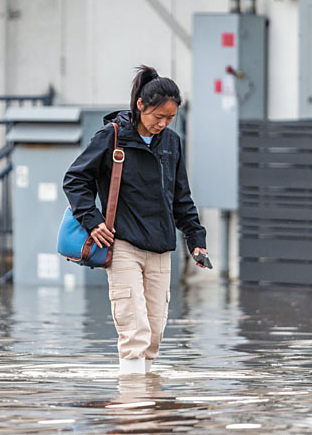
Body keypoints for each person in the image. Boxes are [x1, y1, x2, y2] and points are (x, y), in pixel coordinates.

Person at [63, 65, 208, 375]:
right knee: (135, 331)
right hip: (123, 245)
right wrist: (93, 221)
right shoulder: (112, 137)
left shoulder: (172, 143)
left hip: (160, 247)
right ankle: (133, 410)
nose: (164, 124)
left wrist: (196, 241)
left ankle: (148, 407)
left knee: (155, 333)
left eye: (170, 118)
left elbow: (181, 197)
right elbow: (75, 179)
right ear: (140, 106)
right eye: (158, 117)